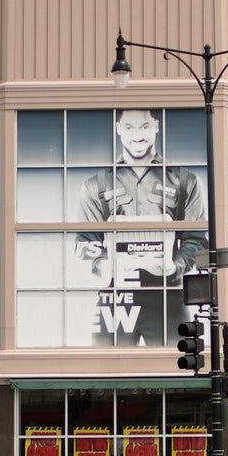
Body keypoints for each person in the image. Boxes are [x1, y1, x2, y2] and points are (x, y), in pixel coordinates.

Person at [76, 109, 207, 346]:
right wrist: (104, 265)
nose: (137, 135)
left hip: (169, 295)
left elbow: (197, 241)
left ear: (156, 126)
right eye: (129, 127)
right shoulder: (96, 185)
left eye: (145, 126)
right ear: (118, 129)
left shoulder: (185, 181)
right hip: (116, 298)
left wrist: (173, 266)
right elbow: (85, 242)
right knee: (100, 371)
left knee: (182, 370)